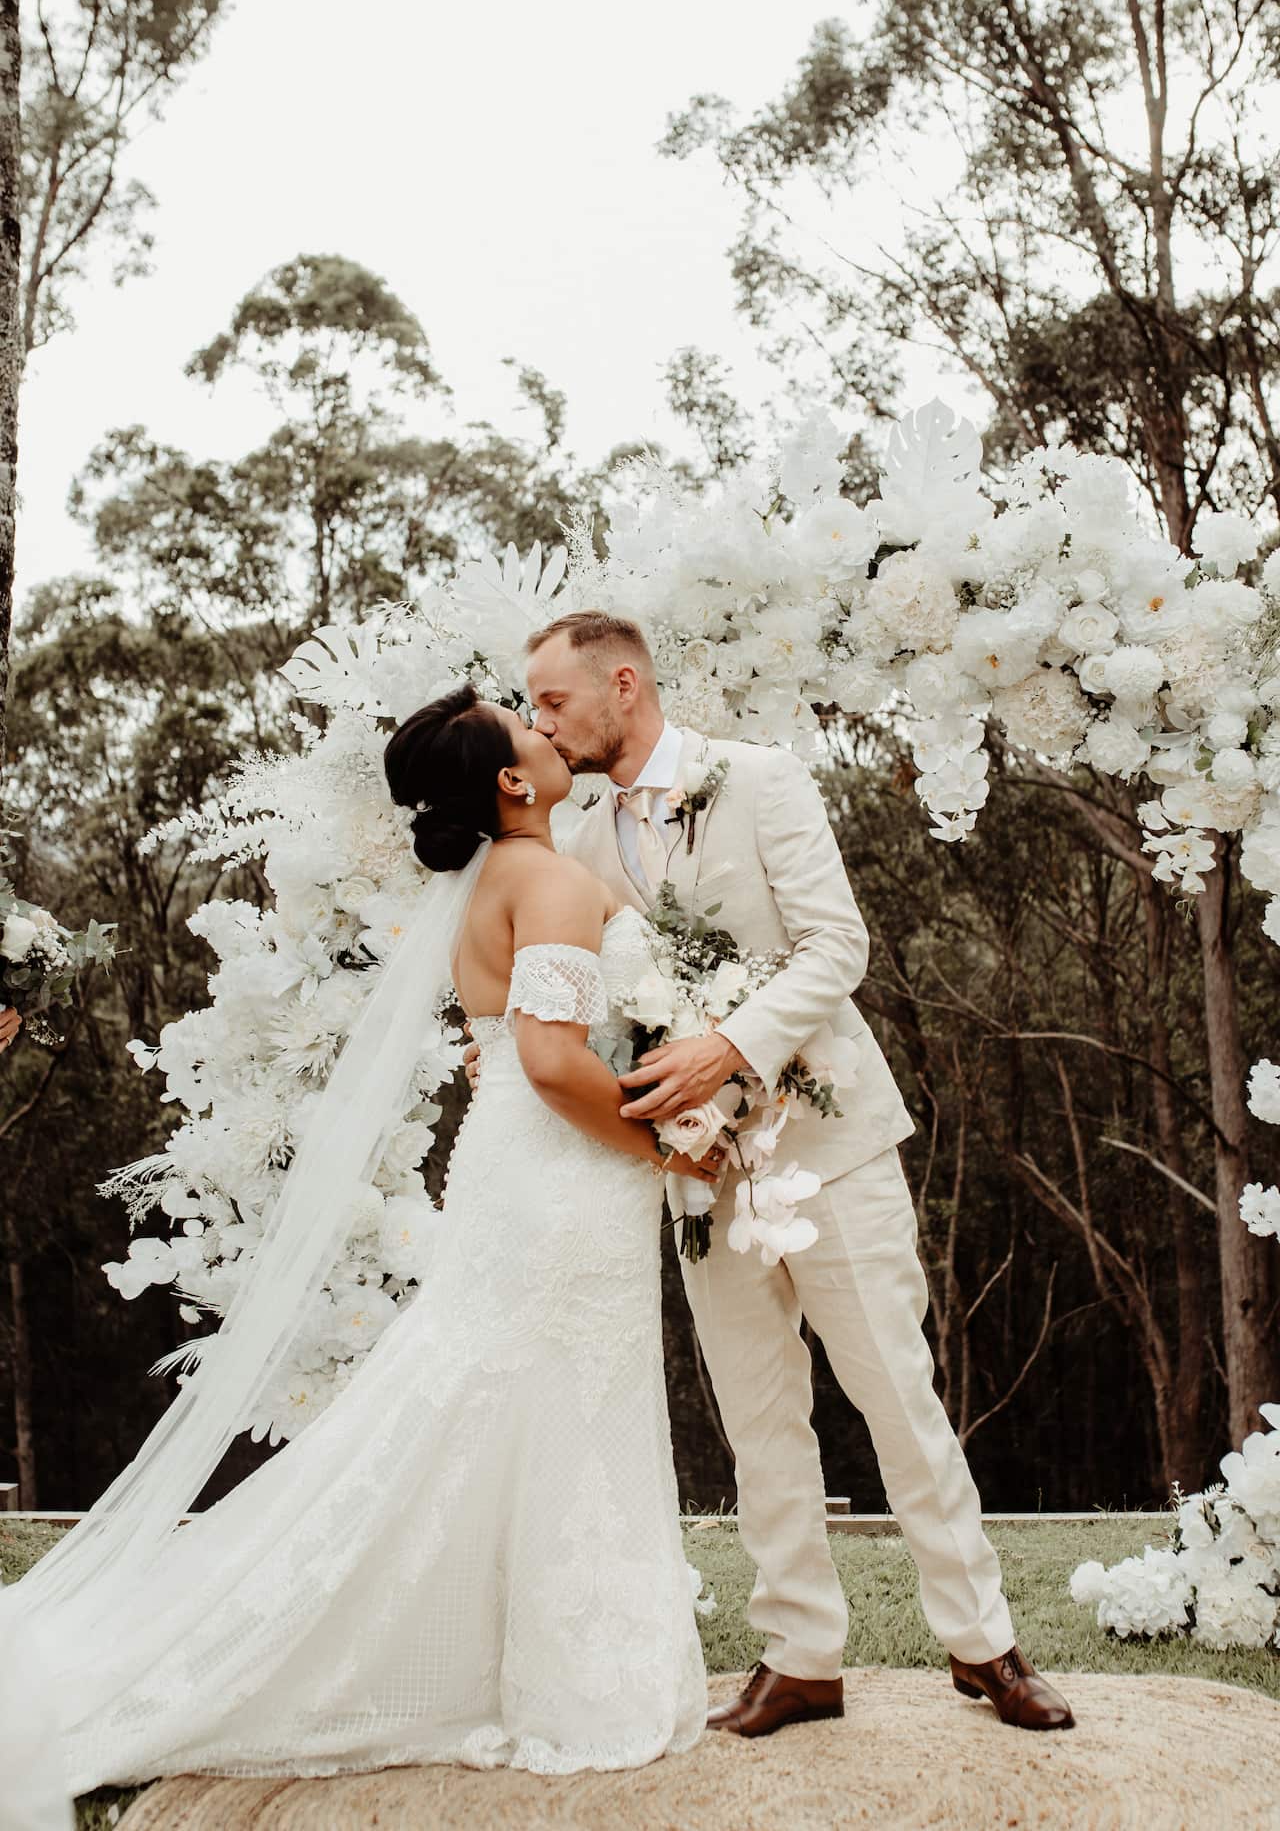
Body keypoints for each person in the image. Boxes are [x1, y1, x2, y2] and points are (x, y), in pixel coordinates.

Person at [2, 683, 717, 1796]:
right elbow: (552, 1062)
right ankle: (574, 1682)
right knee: (568, 1403)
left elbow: (509, 1047)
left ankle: (548, 1664)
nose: (546, 731)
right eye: (528, 730)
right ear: (511, 784)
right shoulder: (554, 880)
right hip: (560, 1177)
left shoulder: (490, 880)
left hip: (514, 1172)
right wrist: (679, 1154)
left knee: (503, 1402)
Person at [490, 609, 1074, 1736]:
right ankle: (799, 1656)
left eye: (553, 701)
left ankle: (982, 1646)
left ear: (624, 683)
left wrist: (729, 1046)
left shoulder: (758, 779)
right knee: (757, 1415)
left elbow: (834, 947)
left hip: (829, 1147)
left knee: (895, 1398)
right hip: (695, 1172)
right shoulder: (573, 841)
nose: (538, 723)